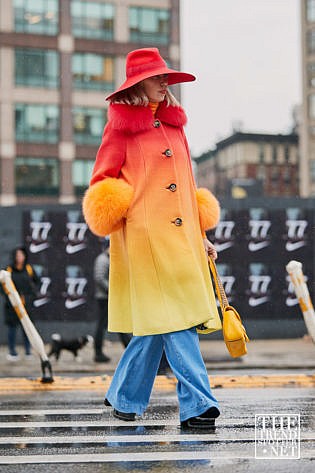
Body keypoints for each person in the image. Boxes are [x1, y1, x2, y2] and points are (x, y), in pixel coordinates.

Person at [83, 47, 222, 430]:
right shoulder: (120, 127)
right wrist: (133, 212)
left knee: (157, 326)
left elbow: (187, 185)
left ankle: (124, 398)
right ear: (138, 83)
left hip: (183, 241)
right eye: (158, 77)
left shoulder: (177, 127)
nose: (165, 82)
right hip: (146, 241)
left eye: (166, 77)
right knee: (179, 321)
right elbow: (101, 182)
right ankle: (199, 404)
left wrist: (201, 233)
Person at [93, 238, 131, 362]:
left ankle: (129, 349)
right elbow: (99, 278)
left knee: (120, 324)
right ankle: (98, 353)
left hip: (111, 297)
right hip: (105, 298)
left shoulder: (110, 258)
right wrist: (112, 290)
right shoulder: (102, 259)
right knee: (102, 326)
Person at [2, 246, 39, 361]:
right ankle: (12, 352)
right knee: (12, 329)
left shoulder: (29, 269)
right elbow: (2, 286)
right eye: (17, 255)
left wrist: (29, 296)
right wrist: (10, 297)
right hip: (12, 306)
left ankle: (28, 351)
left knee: (27, 328)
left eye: (21, 255)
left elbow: (37, 283)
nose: (20, 257)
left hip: (26, 305)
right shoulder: (8, 270)